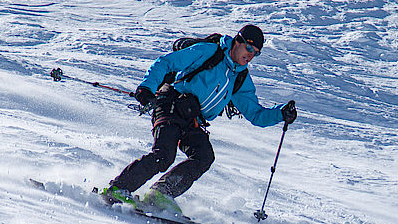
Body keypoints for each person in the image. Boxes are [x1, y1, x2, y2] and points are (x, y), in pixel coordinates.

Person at [102, 25, 296, 213]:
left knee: (204, 157)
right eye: (249, 48)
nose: (251, 55)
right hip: (171, 104)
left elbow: (255, 114)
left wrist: (280, 113)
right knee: (164, 155)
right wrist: (146, 88)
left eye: (256, 53)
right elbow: (167, 62)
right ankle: (118, 188)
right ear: (237, 41)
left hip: (193, 119)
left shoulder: (240, 77)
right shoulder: (210, 51)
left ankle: (161, 194)